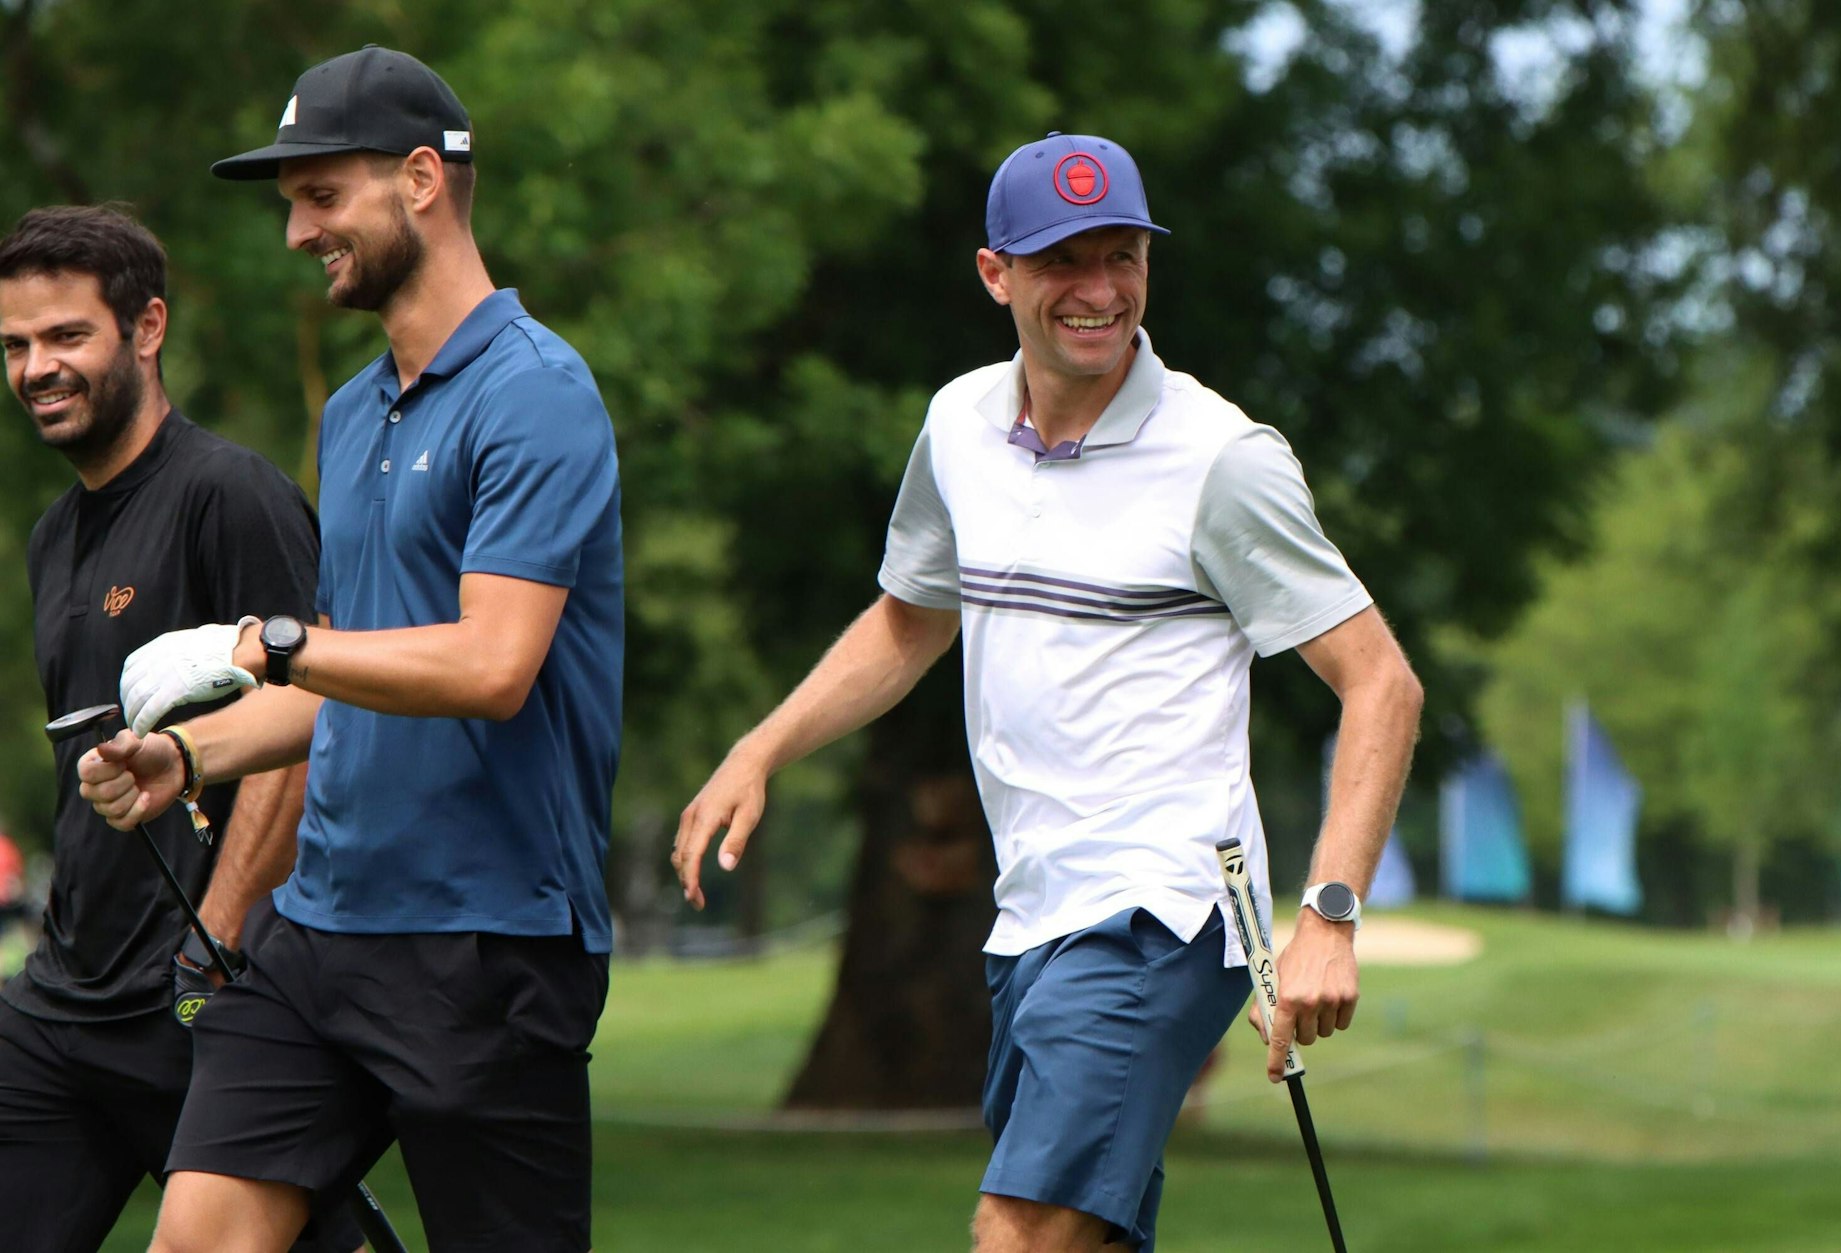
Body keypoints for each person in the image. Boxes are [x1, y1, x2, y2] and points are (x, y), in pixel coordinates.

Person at [674, 132, 1424, 1252]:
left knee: (1016, 1229)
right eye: (1061, 261)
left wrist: (1326, 915)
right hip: (1031, 915)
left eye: (1119, 256)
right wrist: (760, 747)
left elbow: (1380, 681)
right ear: (996, 275)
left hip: (1163, 912)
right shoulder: (958, 428)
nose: (1097, 291)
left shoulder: (1220, 458)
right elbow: (911, 616)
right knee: (1087, 1233)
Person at [76, 46, 624, 1253]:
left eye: (321, 196)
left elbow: (489, 667)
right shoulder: (356, 403)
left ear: (420, 180)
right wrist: (196, 756)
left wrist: (273, 641)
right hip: (318, 931)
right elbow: (356, 682)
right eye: (291, 202)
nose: (295, 231)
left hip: (488, 947)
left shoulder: (536, 394)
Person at [0, 204, 361, 1251]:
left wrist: (221, 941)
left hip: (205, 1004)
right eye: (15, 346)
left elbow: (316, 713)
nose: (36, 368)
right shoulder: (52, 534)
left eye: (67, 336)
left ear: (145, 328)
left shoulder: (230, 495)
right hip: (65, 1002)